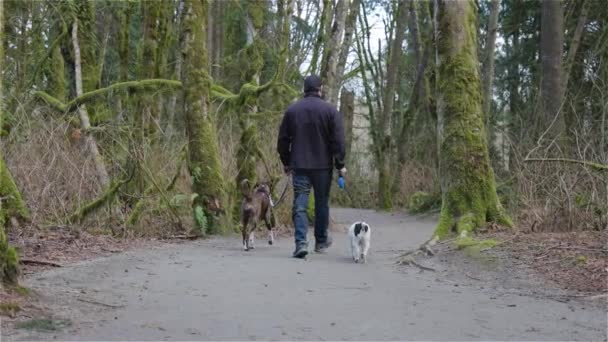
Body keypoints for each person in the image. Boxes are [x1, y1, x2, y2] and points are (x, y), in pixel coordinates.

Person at [277, 75, 346, 258]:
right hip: (323, 167)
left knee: (300, 204)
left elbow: (283, 140)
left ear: (304, 89)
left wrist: (286, 162)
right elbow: (338, 141)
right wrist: (340, 164)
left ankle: (301, 243)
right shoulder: (330, 111)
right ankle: (321, 241)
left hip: (299, 165)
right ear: (320, 89)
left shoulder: (292, 110)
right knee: (321, 203)